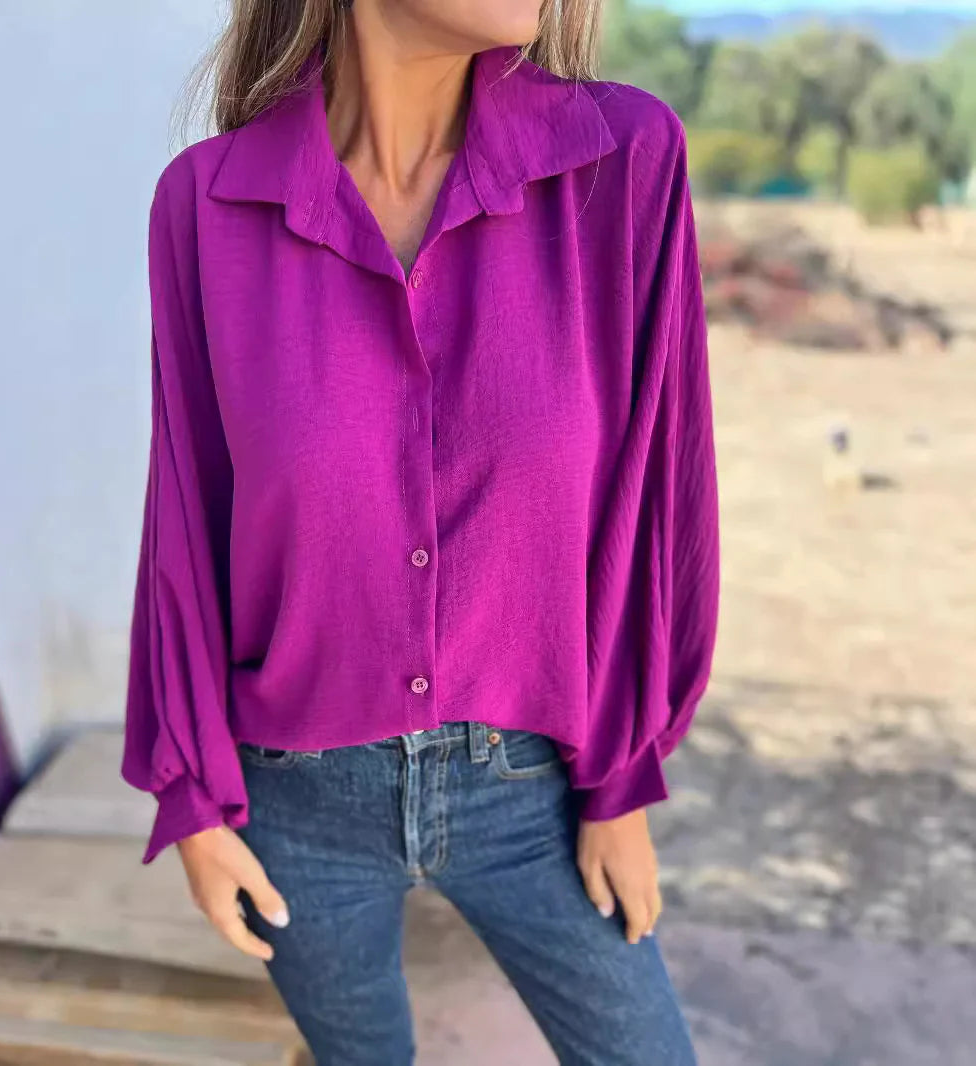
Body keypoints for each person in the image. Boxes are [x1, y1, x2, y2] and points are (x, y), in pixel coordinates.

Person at [121, 1, 720, 1063]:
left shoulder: (618, 163)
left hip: (531, 786)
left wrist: (621, 778)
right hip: (294, 798)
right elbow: (186, 519)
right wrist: (195, 803)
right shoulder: (206, 206)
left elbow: (654, 494)